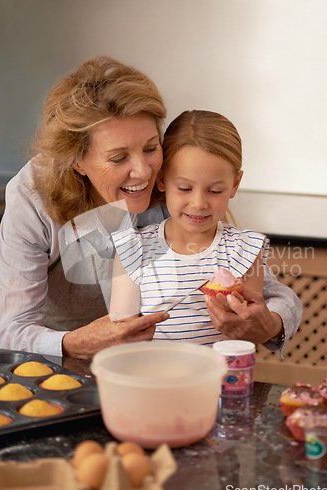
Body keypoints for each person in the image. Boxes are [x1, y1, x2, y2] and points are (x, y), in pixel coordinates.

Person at [0, 56, 301, 359]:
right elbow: (12, 331)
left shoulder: (176, 184)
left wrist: (268, 324)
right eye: (118, 158)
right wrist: (75, 343)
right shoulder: (33, 195)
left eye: (151, 148)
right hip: (38, 351)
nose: (144, 171)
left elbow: (273, 295)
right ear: (77, 160)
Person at [110, 110, 301, 350]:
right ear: (161, 180)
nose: (199, 203)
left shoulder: (245, 251)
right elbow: (122, 341)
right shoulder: (132, 249)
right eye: (184, 188)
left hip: (220, 383)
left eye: (215, 191)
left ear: (235, 185)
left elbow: (243, 341)